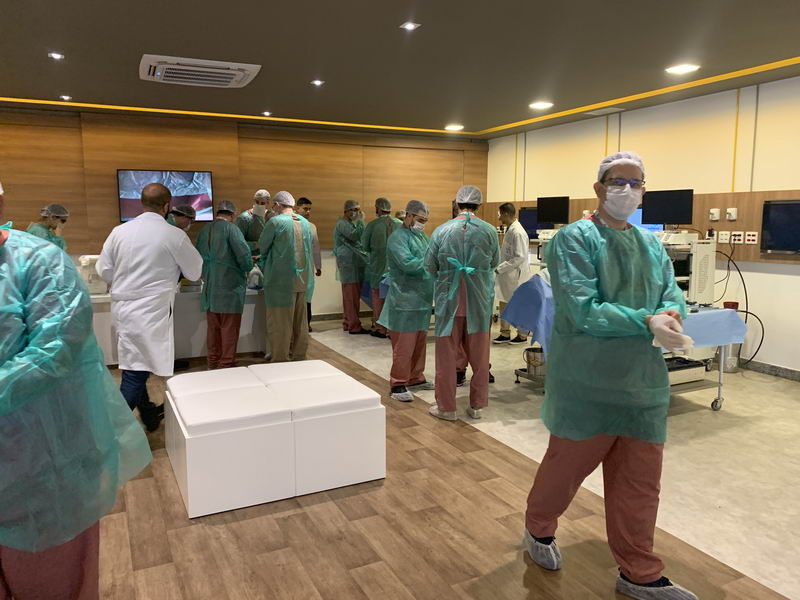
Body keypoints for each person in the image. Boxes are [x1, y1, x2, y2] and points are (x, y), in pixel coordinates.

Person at [523, 152, 697, 600]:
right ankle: (538, 527)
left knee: (640, 486)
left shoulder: (651, 245)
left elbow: (671, 291)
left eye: (636, 183)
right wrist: (647, 321)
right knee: (563, 473)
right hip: (588, 383)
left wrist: (671, 313)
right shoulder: (574, 240)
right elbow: (583, 309)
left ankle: (639, 572)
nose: (628, 190)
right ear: (599, 188)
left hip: (642, 386)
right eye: (618, 182)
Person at [0, 186, 151, 599]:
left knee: (52, 579)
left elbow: (54, 351)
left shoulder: (37, 259)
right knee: (139, 371)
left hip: (40, 457)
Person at [97, 183, 203, 431]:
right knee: (135, 372)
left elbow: (103, 269)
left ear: (141, 203)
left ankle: (149, 414)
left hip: (122, 310)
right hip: (151, 313)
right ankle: (110, 432)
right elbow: (195, 272)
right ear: (167, 206)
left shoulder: (119, 232)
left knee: (135, 363)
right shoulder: (174, 235)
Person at [426, 185, 499, 421]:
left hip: (449, 302)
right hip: (479, 303)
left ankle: (447, 408)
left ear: (457, 203)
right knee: (480, 356)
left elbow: (430, 266)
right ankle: (477, 406)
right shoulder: (489, 231)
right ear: (479, 205)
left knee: (446, 357)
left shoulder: (442, 230)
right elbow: (494, 262)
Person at [378, 200, 435, 402]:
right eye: (420, 220)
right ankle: (398, 383)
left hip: (422, 300)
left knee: (420, 342)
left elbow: (433, 255)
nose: (422, 224)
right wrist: (432, 263)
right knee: (404, 345)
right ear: (409, 216)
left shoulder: (423, 238)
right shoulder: (397, 238)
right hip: (404, 300)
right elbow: (407, 264)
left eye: (425, 221)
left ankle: (416, 377)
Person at [258, 191, 315, 362]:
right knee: (300, 322)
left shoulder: (275, 222)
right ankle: (299, 356)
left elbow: (263, 246)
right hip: (302, 281)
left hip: (280, 281)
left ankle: (280, 358)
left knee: (280, 322)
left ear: (277, 204)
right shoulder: (305, 223)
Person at [196, 200, 253, 369]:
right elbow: (244, 256)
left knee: (213, 329)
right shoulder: (231, 229)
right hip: (230, 287)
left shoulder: (204, 230)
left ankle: (212, 363)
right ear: (233, 214)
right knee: (229, 328)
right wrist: (249, 266)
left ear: (217, 212)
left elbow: (198, 257)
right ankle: (226, 364)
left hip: (210, 288)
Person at [362, 197, 402, 339]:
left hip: (378, 267)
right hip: (396, 269)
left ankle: (381, 329)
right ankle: (393, 329)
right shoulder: (400, 224)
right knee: (393, 298)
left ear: (378, 209)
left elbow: (365, 246)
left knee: (378, 297)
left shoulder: (372, 225)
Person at [494, 202, 531, 344]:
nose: (499, 218)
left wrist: (500, 268)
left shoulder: (518, 232)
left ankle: (522, 334)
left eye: (500, 215)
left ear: (506, 214)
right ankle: (505, 332)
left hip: (516, 276)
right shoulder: (510, 229)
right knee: (504, 302)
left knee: (518, 305)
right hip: (508, 276)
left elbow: (519, 257)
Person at [334, 199, 370, 334]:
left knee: (350, 297)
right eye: (355, 210)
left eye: (358, 210)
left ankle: (348, 322)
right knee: (351, 297)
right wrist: (361, 221)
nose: (357, 213)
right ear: (347, 211)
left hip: (352, 265)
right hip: (349, 266)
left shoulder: (348, 223)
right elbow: (354, 236)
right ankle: (354, 326)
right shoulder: (342, 224)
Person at [297, 197, 322, 332]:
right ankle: (297, 325)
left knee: (307, 295)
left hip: (308, 266)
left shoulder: (312, 227)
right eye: (305, 209)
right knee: (297, 297)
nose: (308, 212)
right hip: (295, 267)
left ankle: (306, 323)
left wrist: (318, 266)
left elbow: (315, 247)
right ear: (297, 208)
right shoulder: (292, 225)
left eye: (309, 209)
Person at [236, 188, 271, 254]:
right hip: (251, 255)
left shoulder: (271, 217)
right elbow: (237, 242)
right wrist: (256, 245)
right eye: (257, 202)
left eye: (262, 203)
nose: (259, 205)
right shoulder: (244, 218)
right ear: (254, 201)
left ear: (268, 203)